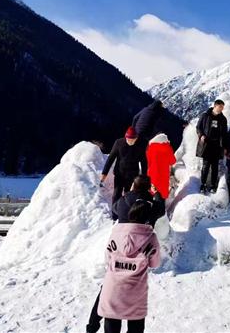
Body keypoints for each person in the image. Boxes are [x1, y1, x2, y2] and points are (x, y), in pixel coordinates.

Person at [87, 176, 165, 333]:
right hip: (136, 289)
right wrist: (156, 194)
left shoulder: (122, 204)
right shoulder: (150, 207)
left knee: (107, 291)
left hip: (119, 242)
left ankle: (92, 326)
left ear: (133, 186)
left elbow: (108, 258)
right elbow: (155, 263)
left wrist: (127, 194)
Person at [96, 201, 160, 333]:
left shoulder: (115, 233)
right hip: (135, 293)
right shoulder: (150, 238)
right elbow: (154, 264)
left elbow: (108, 259)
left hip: (112, 290)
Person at [101, 127, 145, 220]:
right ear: (125, 137)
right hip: (120, 174)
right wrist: (104, 173)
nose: (130, 141)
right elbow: (111, 158)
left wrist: (144, 178)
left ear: (136, 138)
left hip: (132, 175)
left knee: (129, 195)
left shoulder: (140, 145)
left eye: (133, 140)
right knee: (116, 194)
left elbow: (144, 162)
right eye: (128, 139)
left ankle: (126, 215)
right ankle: (115, 216)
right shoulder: (119, 143)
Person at [196, 99, 228, 193]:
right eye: (220, 107)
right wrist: (201, 135)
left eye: (222, 107)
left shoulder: (223, 119)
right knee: (205, 166)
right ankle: (203, 184)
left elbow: (224, 134)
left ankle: (213, 185)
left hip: (217, 145)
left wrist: (224, 146)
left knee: (215, 166)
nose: (221, 109)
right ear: (215, 106)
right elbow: (198, 127)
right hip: (206, 144)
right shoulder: (205, 115)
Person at [132, 100, 165, 175]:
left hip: (136, 133)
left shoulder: (145, 109)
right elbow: (158, 126)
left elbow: (135, 118)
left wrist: (133, 129)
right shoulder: (156, 113)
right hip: (145, 136)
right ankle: (143, 175)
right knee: (143, 157)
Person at [146, 133, 176, 200]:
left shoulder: (150, 147)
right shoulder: (167, 147)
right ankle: (162, 204)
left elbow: (147, 161)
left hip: (152, 173)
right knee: (162, 193)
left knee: (153, 191)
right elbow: (172, 161)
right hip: (163, 174)